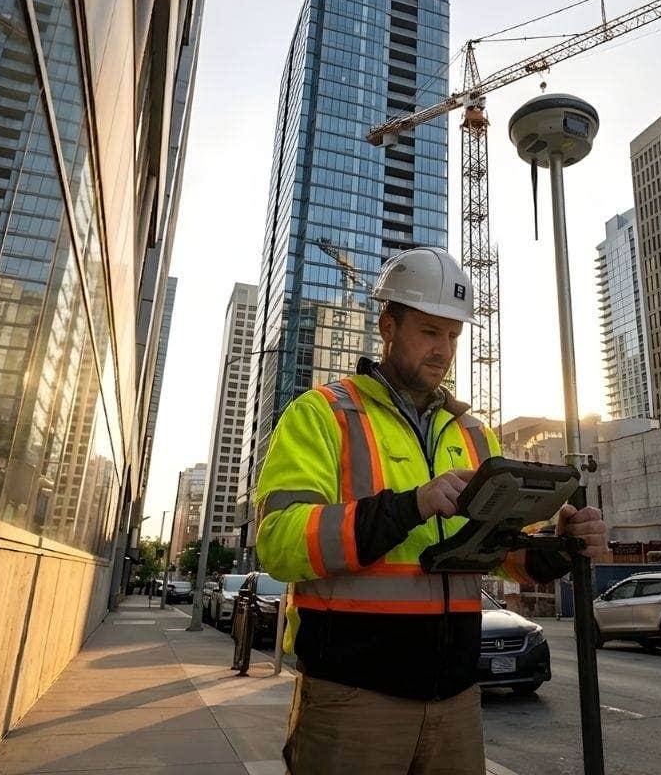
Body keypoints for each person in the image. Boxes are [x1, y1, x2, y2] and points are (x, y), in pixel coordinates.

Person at [255, 247, 607, 774]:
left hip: (457, 698)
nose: (443, 349)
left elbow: (504, 553)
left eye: (453, 335)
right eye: (428, 331)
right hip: (353, 698)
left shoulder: (473, 433)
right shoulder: (323, 414)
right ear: (387, 325)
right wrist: (411, 506)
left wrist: (558, 543)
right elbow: (279, 542)